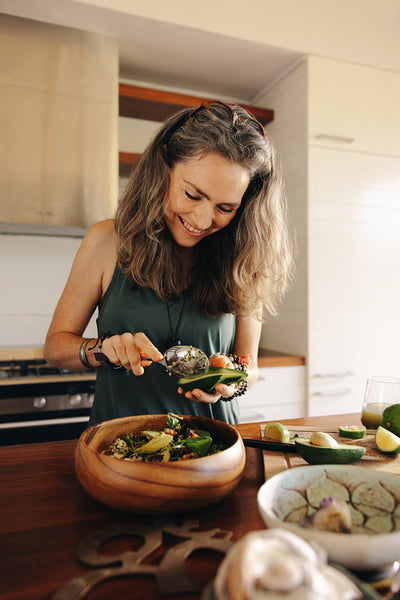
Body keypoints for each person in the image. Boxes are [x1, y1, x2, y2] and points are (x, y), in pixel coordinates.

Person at [44, 101, 293, 426]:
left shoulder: (245, 256)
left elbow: (249, 364)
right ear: (163, 169)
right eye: (192, 195)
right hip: (119, 447)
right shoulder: (106, 240)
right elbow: (55, 347)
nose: (203, 220)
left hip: (213, 448)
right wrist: (103, 349)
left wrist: (234, 381)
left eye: (225, 207)